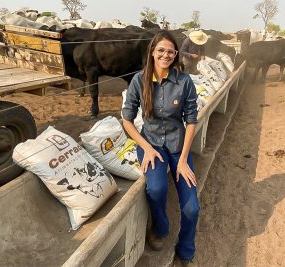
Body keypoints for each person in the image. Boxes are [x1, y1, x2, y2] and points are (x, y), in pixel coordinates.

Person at [122, 30, 199, 266]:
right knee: (156, 189)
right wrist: (146, 147)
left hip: (178, 146)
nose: (166, 55)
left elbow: (191, 121)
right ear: (153, 53)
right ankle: (161, 227)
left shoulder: (184, 82)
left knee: (192, 208)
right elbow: (127, 120)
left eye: (170, 51)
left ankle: (186, 248)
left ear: (176, 54)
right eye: (161, 50)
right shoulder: (139, 80)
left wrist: (184, 159)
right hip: (151, 143)